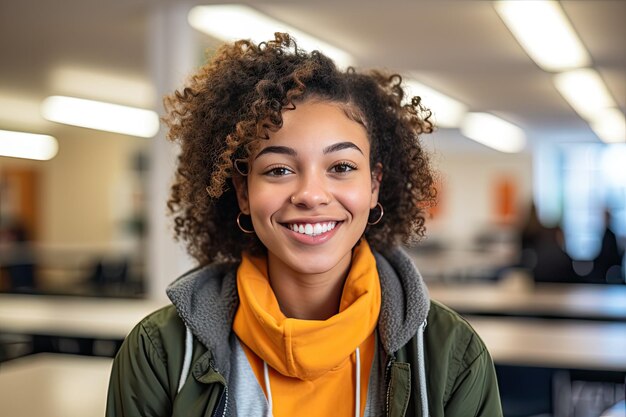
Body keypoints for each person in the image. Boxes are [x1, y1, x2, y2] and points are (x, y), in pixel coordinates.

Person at [106, 33, 502, 417]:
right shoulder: (158, 352)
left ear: (374, 186)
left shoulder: (453, 355)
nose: (311, 194)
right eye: (278, 169)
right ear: (243, 193)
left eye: (342, 167)